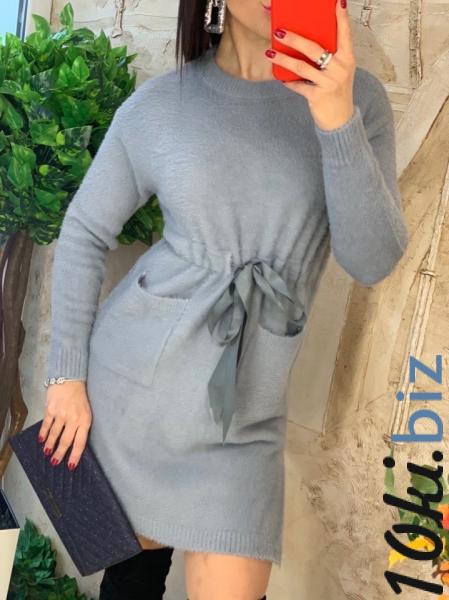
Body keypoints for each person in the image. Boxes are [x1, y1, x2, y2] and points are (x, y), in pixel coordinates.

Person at [38, 0, 409, 597]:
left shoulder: (358, 99)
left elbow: (373, 261)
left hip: (246, 418)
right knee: (130, 584)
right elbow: (84, 230)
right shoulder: (162, 105)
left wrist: (335, 118)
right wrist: (66, 377)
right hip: (138, 400)